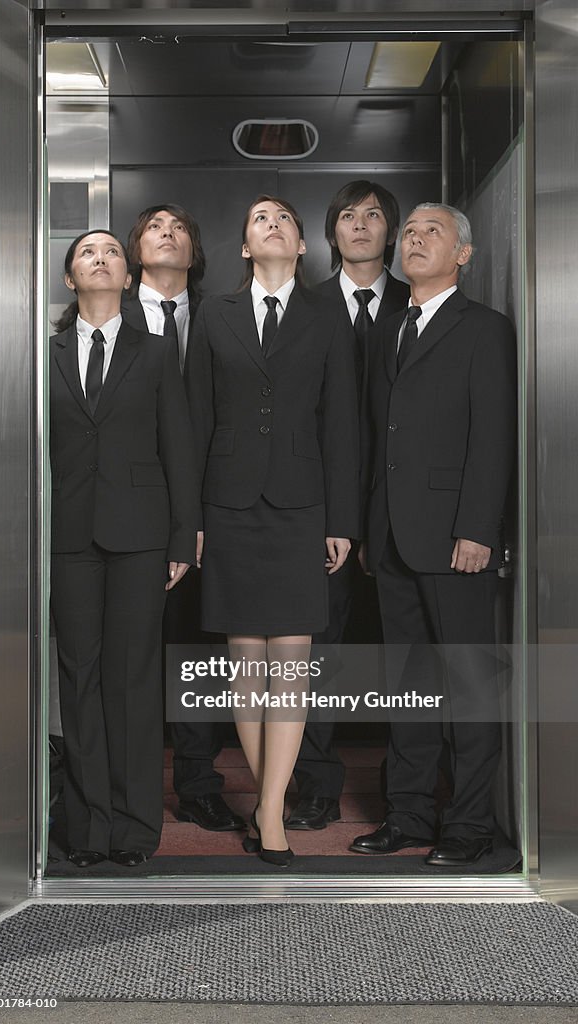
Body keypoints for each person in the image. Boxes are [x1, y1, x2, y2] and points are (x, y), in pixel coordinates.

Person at [185, 196, 359, 866]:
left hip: (300, 506)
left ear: (302, 245)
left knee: (289, 662)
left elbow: (341, 421)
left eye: (284, 217)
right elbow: (197, 419)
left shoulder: (326, 314)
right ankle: (270, 800)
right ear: (244, 248)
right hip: (226, 504)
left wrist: (340, 519)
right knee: (245, 665)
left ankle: (269, 809)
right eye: (259, 219)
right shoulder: (214, 313)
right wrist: (192, 520)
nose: (274, 224)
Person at [350, 203, 516, 867]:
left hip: (456, 542)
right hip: (392, 539)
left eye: (433, 232)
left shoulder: (485, 330)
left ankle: (470, 827)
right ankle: (410, 814)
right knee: (408, 684)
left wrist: (479, 528)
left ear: (464, 255)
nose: (416, 240)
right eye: (410, 232)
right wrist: (369, 527)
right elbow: (377, 439)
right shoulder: (388, 329)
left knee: (470, 684)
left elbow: (492, 435)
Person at [50, 229, 199, 868]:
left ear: (128, 273)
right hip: (68, 536)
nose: (101, 258)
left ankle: (136, 826)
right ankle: (88, 825)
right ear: (70, 278)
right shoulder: (46, 352)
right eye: (88, 252)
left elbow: (180, 449)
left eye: (112, 251)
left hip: (142, 534)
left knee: (133, 679)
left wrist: (182, 537)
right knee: (79, 677)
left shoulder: (157, 351)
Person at [287, 180, 409, 832]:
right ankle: (315, 785)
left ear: (391, 230)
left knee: (405, 651)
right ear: (331, 231)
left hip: (404, 509)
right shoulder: (303, 308)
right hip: (321, 511)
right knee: (319, 654)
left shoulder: (419, 301)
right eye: (348, 216)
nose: (360, 225)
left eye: (373, 216)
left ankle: (408, 793)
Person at [122, 204, 244, 835]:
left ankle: (198, 783)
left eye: (179, 230)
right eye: (154, 227)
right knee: (135, 653)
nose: (167, 235)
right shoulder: (104, 316)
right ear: (135, 249)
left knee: (199, 652)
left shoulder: (224, 316)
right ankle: (129, 792)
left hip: (218, 506)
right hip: (133, 512)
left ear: (195, 253)